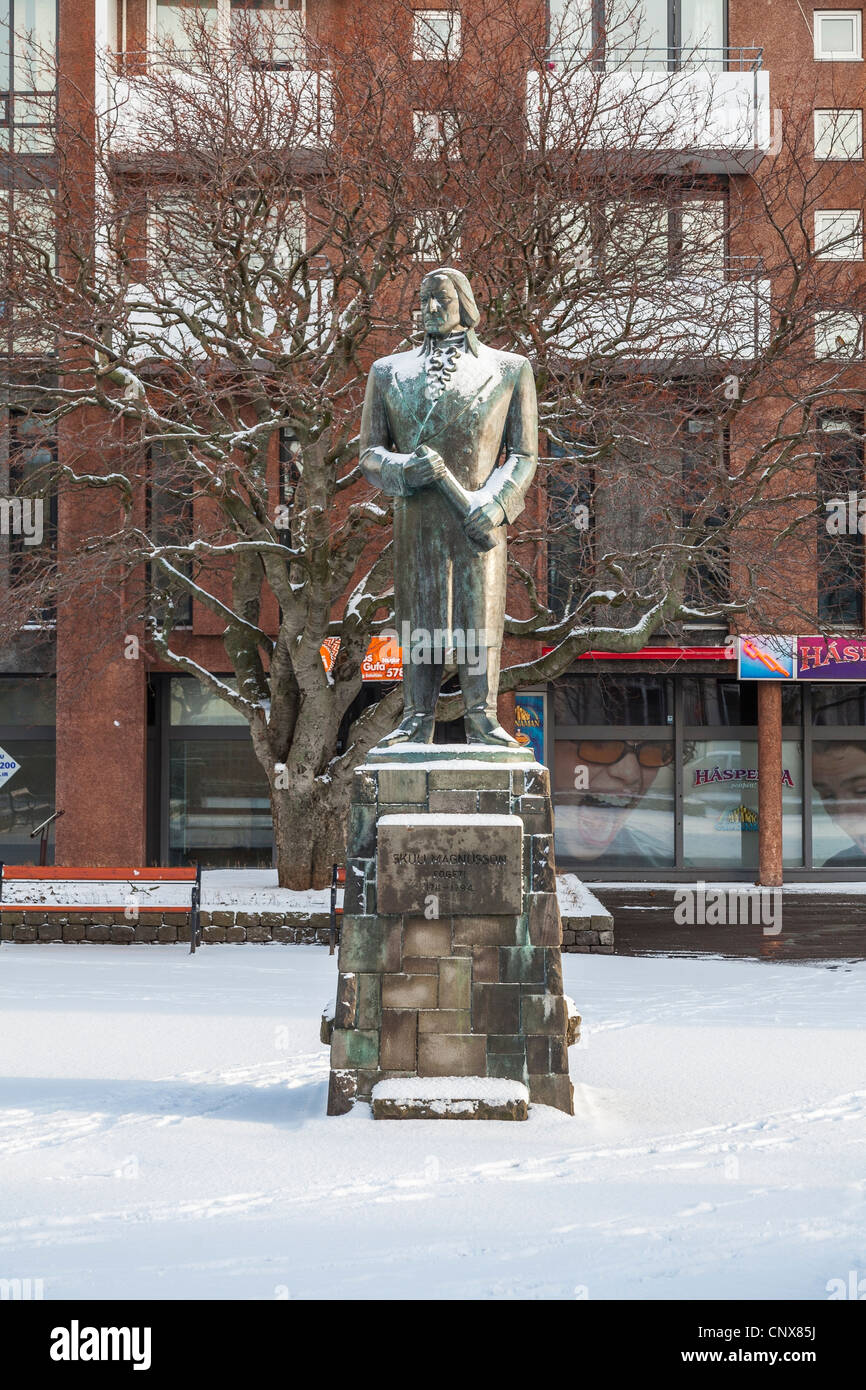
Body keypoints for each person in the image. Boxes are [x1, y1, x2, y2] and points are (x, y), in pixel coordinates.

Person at [359, 267, 538, 746]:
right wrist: (400, 472)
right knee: (421, 619)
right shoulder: (388, 372)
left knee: (477, 622)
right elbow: (369, 454)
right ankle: (417, 718)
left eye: (441, 299)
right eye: (424, 301)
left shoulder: (509, 368)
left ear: (466, 305)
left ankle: (482, 717)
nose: (431, 309)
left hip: (475, 521)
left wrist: (496, 505)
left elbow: (523, 455)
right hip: (418, 522)